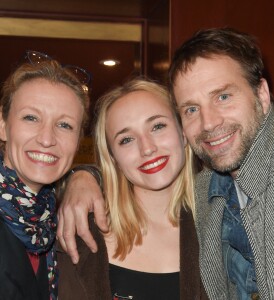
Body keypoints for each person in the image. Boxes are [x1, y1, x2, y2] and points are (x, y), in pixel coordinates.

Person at [58, 28, 274, 299]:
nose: (209, 122)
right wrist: (82, 176)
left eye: (223, 96)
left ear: (262, 94)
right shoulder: (216, 195)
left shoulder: (208, 212)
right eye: (192, 109)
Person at [57, 78, 208, 300]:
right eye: (126, 139)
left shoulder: (219, 226)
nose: (147, 148)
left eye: (157, 126)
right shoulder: (81, 233)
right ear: (113, 158)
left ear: (183, 132)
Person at [0, 51, 89, 300]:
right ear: (3, 125)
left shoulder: (50, 220)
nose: (47, 139)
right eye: (31, 117)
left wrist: (86, 176)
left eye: (64, 125)